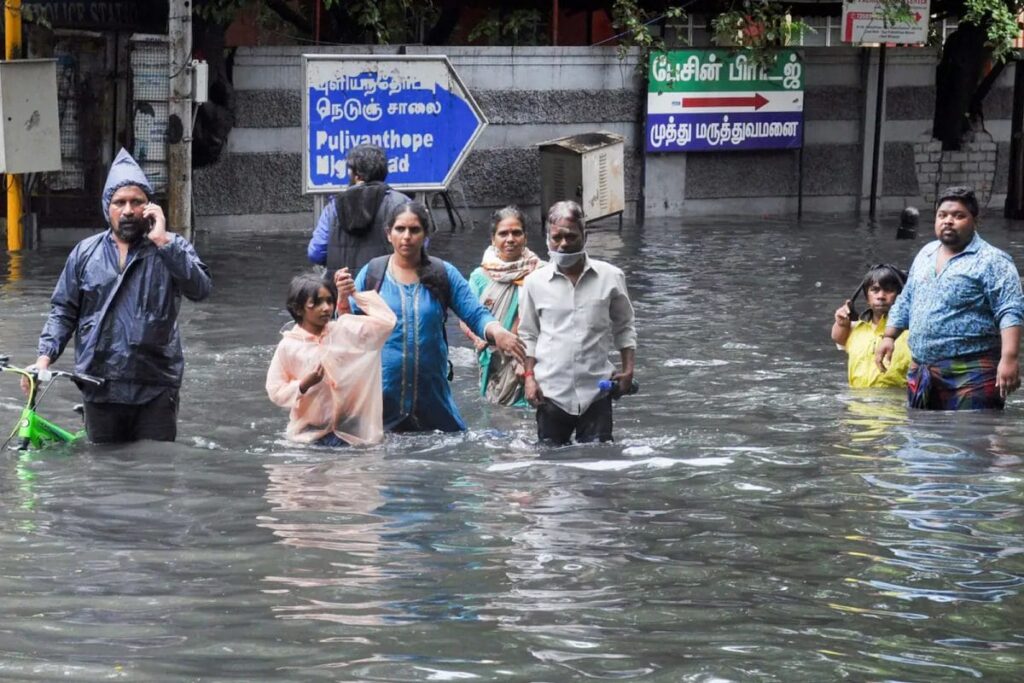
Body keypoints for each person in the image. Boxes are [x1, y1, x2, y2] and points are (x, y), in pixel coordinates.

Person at [31, 148, 212, 443]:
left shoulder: (171, 247)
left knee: (155, 470)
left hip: (155, 385)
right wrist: (43, 360)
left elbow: (201, 290)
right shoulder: (85, 253)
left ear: (149, 207)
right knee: (102, 475)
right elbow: (63, 311)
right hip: (99, 385)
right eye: (120, 202)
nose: (128, 210)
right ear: (108, 207)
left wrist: (165, 243)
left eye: (136, 202)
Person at [349, 201, 526, 432]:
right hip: (381, 399)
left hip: (433, 399)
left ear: (426, 234)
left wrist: (497, 331)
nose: (406, 237)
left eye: (414, 230)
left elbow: (474, 312)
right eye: (400, 229)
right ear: (388, 234)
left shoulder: (444, 273)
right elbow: (346, 326)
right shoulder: (373, 274)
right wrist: (343, 300)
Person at [876, 186, 1024, 409]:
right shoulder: (926, 254)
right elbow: (907, 299)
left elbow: (1009, 310)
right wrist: (888, 336)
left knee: (974, 439)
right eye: (942, 215)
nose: (948, 221)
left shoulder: (993, 261)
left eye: (958, 215)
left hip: (973, 371)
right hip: (923, 371)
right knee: (919, 439)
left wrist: (1009, 358)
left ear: (975, 221)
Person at [518, 200, 637, 445]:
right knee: (550, 467)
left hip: (596, 393)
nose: (563, 244)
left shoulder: (611, 277)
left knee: (597, 467)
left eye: (571, 237)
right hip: (550, 393)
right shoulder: (534, 283)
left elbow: (624, 326)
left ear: (585, 235)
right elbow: (528, 334)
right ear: (547, 238)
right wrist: (529, 378)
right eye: (556, 238)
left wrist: (628, 371)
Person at [266, 270, 396, 446]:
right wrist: (304, 384)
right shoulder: (289, 346)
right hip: (309, 436)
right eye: (317, 303)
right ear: (298, 308)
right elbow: (275, 391)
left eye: (329, 301)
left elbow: (386, 323)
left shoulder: (343, 331)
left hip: (352, 432)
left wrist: (354, 295)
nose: (326, 308)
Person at [460, 206, 543, 407]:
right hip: (492, 360)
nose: (510, 239)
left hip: (532, 360)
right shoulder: (480, 276)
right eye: (503, 233)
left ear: (525, 237)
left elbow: (550, 320)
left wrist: (527, 362)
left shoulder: (541, 273)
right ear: (493, 239)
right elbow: (465, 316)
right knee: (495, 413)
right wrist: (477, 338)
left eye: (516, 232)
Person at [307, 143, 411, 273]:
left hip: (342, 289)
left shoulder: (333, 208)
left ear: (357, 175)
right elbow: (416, 246)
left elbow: (316, 253)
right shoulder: (401, 204)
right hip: (385, 288)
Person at [831, 264, 912, 388]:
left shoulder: (913, 329)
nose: (881, 296)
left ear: (902, 297)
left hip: (897, 404)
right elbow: (838, 339)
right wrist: (841, 323)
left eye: (889, 290)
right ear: (867, 298)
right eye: (875, 290)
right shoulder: (855, 328)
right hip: (857, 404)